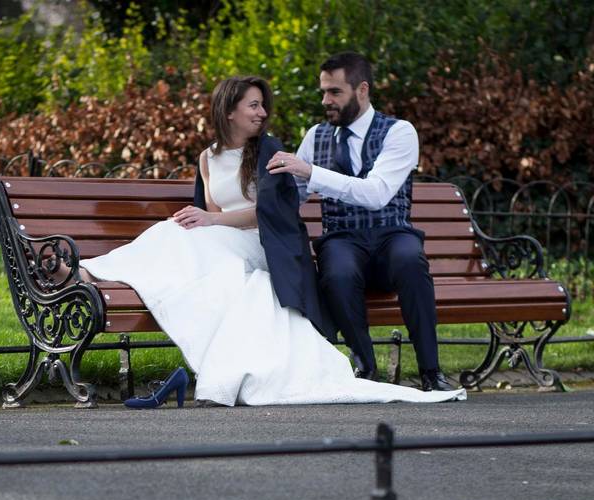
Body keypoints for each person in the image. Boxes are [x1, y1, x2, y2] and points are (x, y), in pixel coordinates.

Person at [79, 75, 465, 406]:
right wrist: (208, 221)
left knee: (187, 240)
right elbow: (211, 216)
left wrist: (212, 219)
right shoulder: (206, 158)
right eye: (253, 105)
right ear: (229, 110)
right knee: (180, 235)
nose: (262, 113)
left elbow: (272, 211)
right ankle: (91, 274)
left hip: (264, 244)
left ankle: (89, 272)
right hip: (226, 242)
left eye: (263, 106)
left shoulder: (268, 149)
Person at [267, 52, 456, 392]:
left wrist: (311, 172)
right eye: (323, 92)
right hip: (342, 238)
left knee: (410, 259)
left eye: (335, 92)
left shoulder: (399, 132)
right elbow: (291, 195)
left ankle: (432, 371)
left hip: (391, 236)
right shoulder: (316, 136)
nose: (326, 101)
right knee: (336, 271)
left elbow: (377, 193)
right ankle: (365, 369)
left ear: (362, 90)